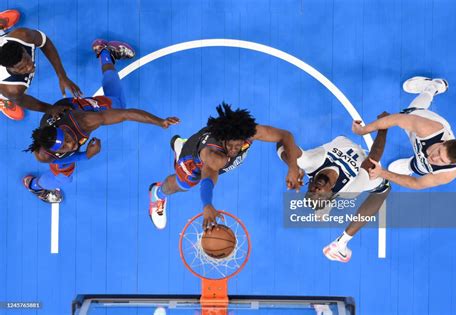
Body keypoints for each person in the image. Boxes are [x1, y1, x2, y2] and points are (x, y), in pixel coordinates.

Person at [22, 39, 179, 203]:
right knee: (64, 179)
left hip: (75, 109)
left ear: (64, 130)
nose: (71, 145)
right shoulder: (44, 154)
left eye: (67, 138)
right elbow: (64, 156)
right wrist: (86, 156)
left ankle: (105, 52)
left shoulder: (86, 120)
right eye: (63, 146)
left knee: (118, 104)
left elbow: (126, 114)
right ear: (53, 151)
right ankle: (34, 185)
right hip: (55, 122)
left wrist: (160, 121)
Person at [148, 103, 301, 230]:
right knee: (183, 184)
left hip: (202, 143)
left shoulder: (249, 131)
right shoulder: (216, 157)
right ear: (223, 139)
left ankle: (182, 145)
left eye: (238, 145)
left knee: (201, 151)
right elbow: (207, 179)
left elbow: (285, 136)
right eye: (231, 145)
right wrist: (207, 205)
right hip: (195, 161)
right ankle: (157, 194)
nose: (234, 150)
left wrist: (293, 167)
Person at [278, 113, 391, 262]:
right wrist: (383, 127)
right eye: (319, 195)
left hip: (342, 141)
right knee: (383, 189)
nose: (316, 190)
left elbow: (281, 142)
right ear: (331, 193)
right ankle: (341, 242)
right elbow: (374, 157)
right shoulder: (351, 189)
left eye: (311, 191)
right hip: (362, 171)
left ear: (309, 182)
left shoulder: (309, 162)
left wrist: (293, 166)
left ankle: (321, 207)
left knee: (301, 161)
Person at [352, 76, 456, 190]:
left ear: (449, 164)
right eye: (439, 152)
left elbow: (416, 183)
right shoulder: (428, 129)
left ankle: (411, 166)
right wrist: (363, 130)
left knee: (422, 167)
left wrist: (382, 173)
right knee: (410, 111)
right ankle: (432, 87)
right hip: (424, 127)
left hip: (422, 147)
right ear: (443, 142)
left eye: (442, 161)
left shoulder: (447, 174)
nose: (435, 158)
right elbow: (395, 119)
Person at [0, 25, 81, 120]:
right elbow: (22, 100)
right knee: (8, 95)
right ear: (9, 68)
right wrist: (50, 109)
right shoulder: (12, 89)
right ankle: (3, 100)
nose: (30, 67)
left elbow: (44, 42)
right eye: (22, 68)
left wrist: (62, 75)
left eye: (27, 59)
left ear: (23, 49)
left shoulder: (23, 36)